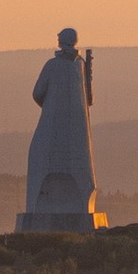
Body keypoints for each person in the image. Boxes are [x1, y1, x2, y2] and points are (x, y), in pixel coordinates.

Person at [18, 26, 105, 232]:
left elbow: (38, 93)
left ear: (61, 41)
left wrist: (51, 106)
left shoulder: (52, 65)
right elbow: (89, 99)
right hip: (77, 134)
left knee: (39, 158)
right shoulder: (80, 65)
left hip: (51, 126)